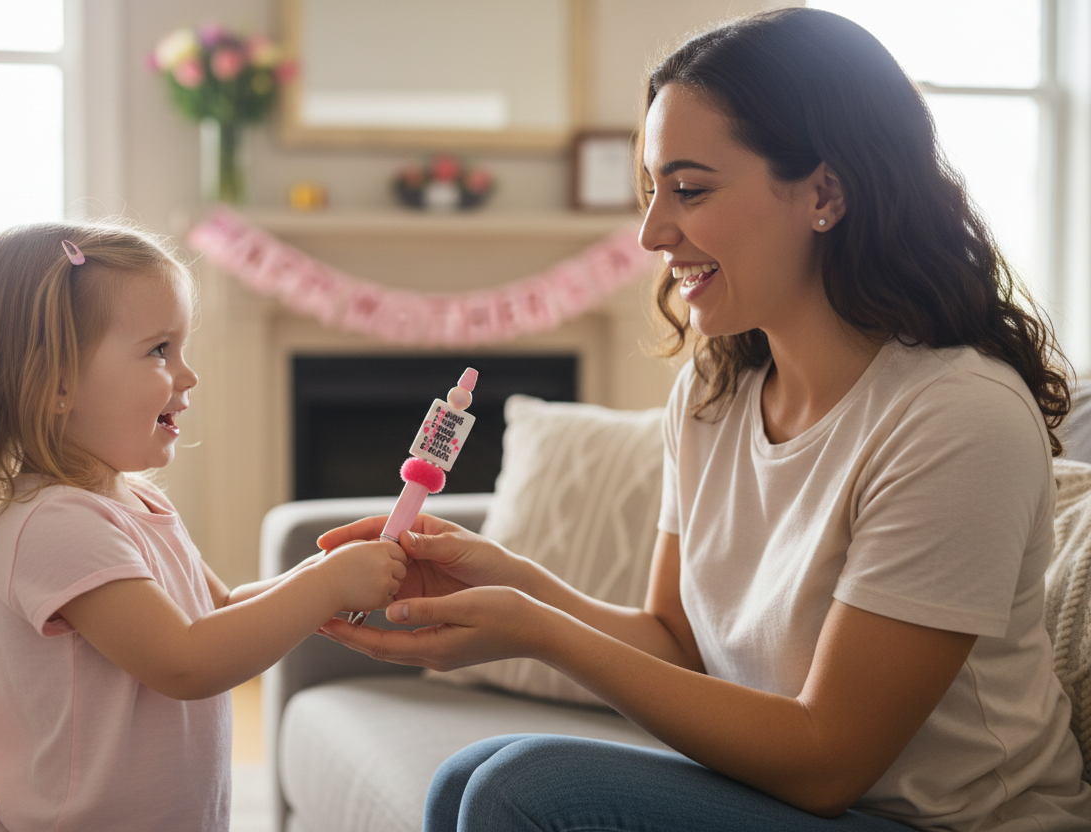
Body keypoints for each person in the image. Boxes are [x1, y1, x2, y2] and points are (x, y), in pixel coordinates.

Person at [318, 8, 1091, 831]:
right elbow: (676, 643)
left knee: (518, 788)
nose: (652, 232)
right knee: (465, 778)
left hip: (945, 823)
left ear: (825, 193)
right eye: (652, 191)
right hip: (798, 802)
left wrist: (536, 630)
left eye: (688, 190)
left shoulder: (956, 415)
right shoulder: (716, 389)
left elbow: (829, 757)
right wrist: (509, 580)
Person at [0, 222, 407, 832]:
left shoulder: (139, 503)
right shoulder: (56, 522)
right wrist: (328, 586)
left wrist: (325, 575)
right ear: (56, 385)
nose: (188, 375)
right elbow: (185, 661)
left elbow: (221, 611)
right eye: (160, 350)